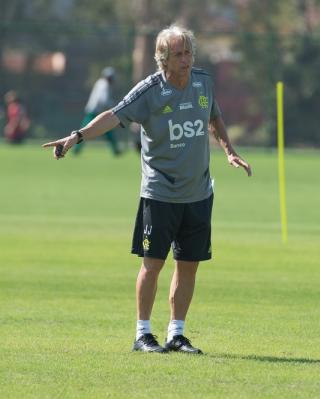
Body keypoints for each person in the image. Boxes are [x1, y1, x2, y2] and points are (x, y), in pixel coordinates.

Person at [43, 25, 251, 353]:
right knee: (153, 264)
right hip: (160, 193)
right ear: (163, 59)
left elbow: (214, 117)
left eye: (188, 52)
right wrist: (77, 136)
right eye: (178, 54)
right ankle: (142, 333)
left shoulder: (203, 82)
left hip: (198, 193)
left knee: (189, 264)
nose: (185, 59)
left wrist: (230, 151)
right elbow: (113, 116)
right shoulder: (150, 91)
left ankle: (177, 334)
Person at [74, 66, 121, 156]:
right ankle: (76, 149)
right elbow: (104, 100)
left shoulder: (101, 83)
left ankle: (115, 150)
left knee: (106, 131)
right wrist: (114, 106)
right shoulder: (104, 85)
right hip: (94, 112)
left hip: (95, 111)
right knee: (84, 131)